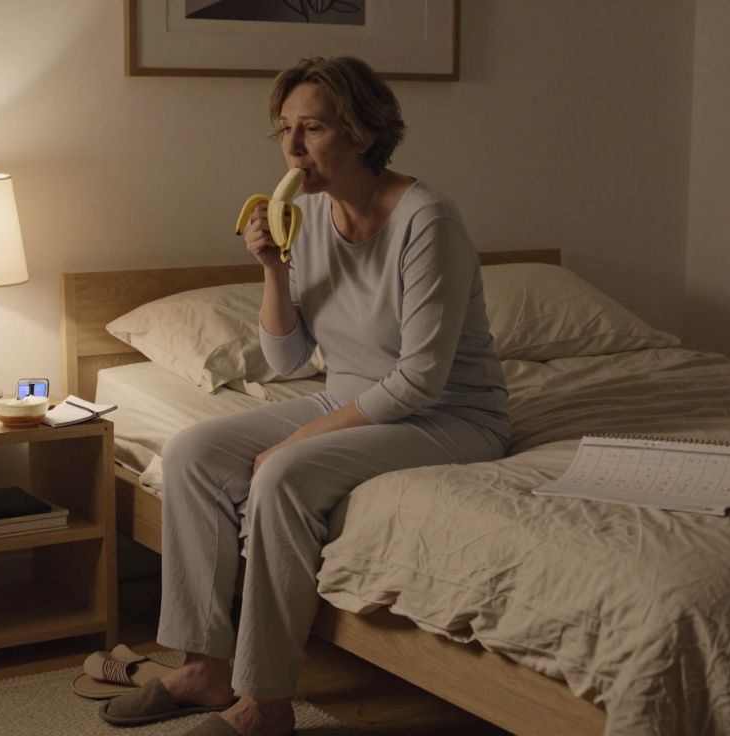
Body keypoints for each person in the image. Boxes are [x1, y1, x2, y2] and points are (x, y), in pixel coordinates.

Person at [99, 56, 510, 736]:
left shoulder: (426, 221)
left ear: (361, 133)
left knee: (283, 475)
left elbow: (420, 380)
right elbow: (287, 358)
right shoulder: (309, 215)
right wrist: (271, 268)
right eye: (284, 129)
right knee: (193, 451)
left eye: (311, 128)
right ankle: (204, 664)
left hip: (449, 416)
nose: (291, 147)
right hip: (351, 395)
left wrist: (297, 442)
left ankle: (264, 701)